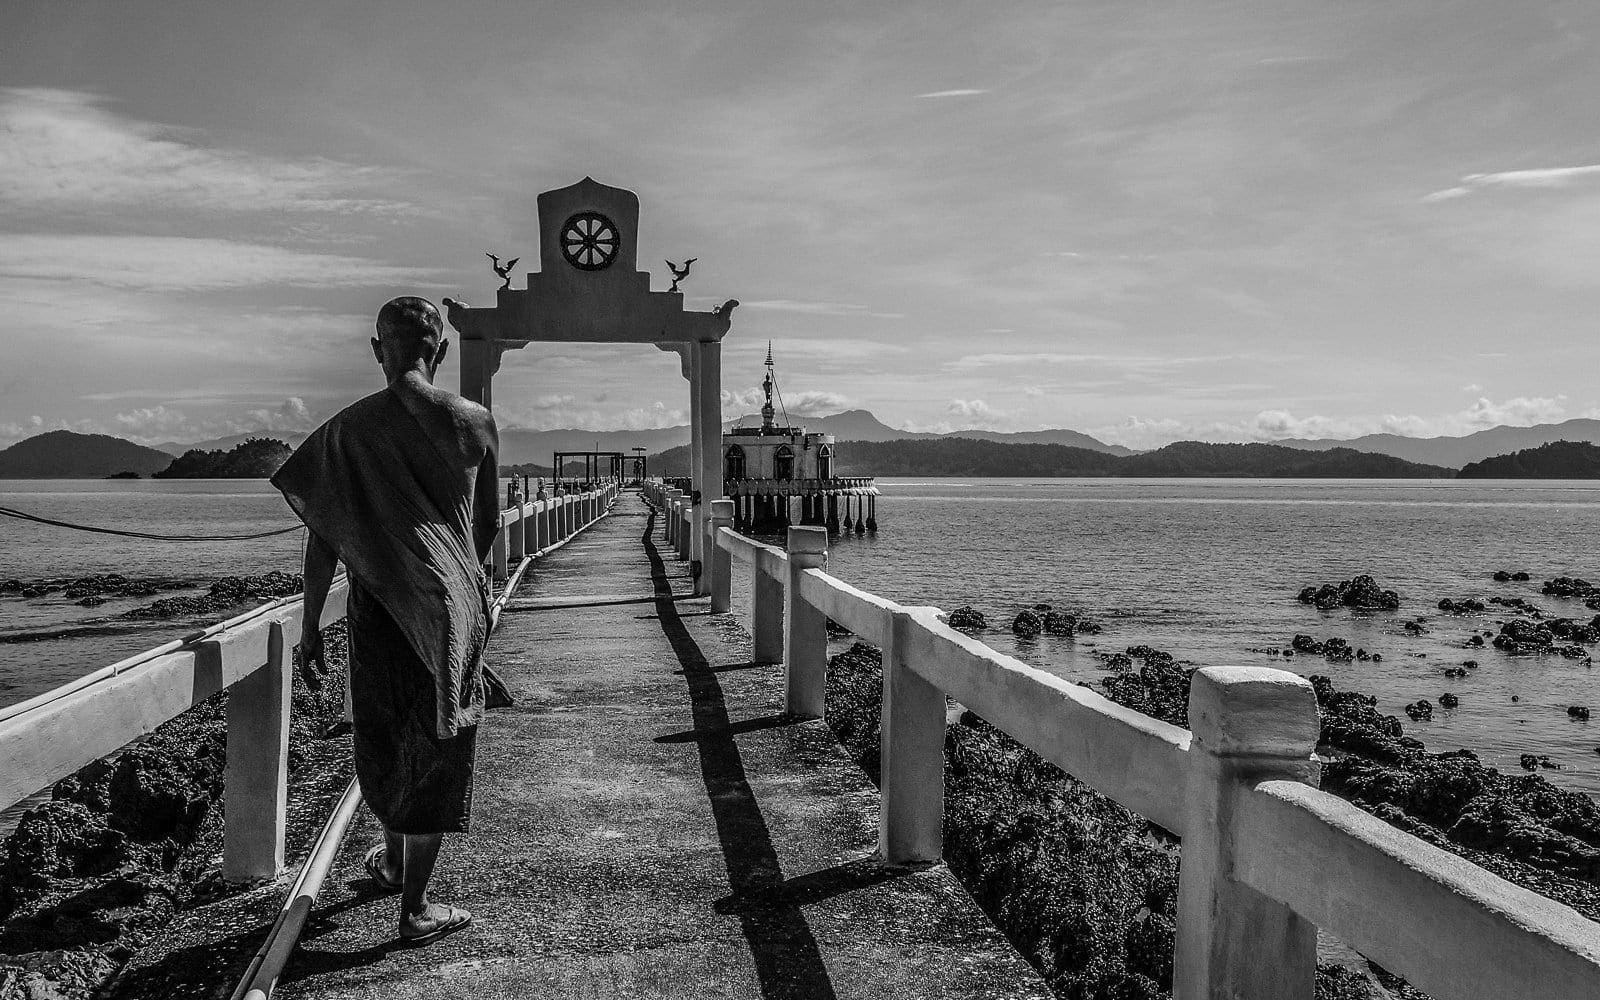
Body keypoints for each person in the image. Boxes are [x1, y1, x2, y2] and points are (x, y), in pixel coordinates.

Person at [271, 296, 499, 945]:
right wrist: (452, 580)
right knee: (438, 741)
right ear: (441, 350)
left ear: (378, 349)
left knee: (384, 735)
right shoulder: (475, 421)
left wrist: (310, 625)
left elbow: (324, 536)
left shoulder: (348, 431)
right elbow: (485, 524)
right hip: (450, 610)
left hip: (376, 607)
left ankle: (402, 877)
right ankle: (412, 897)